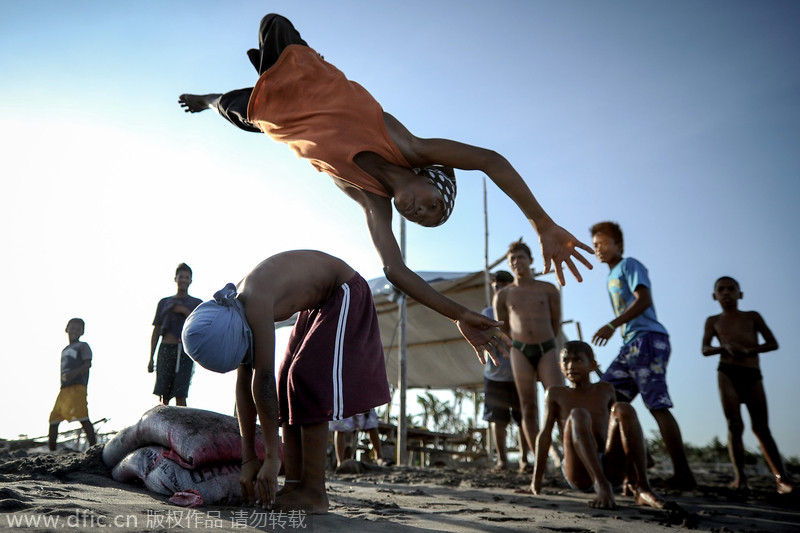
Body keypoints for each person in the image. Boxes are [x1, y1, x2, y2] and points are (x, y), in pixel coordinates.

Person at [178, 13, 594, 363]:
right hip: (304, 75)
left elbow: (395, 270)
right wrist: (542, 223)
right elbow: (489, 161)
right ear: (431, 177)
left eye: (424, 221)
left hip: (270, 116)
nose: (420, 214)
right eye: (432, 207)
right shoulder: (409, 146)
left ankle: (206, 98)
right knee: (273, 21)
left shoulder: (374, 200)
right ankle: (249, 75)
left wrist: (458, 315)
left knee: (227, 106)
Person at [181, 250, 390, 514]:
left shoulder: (254, 302)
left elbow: (262, 379)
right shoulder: (235, 313)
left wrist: (270, 457)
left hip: (344, 290)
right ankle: (294, 485)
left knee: (306, 376)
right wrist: (248, 459)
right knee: (286, 383)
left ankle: (314, 491)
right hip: (316, 305)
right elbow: (245, 387)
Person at [589, 221, 695, 490]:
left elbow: (644, 299)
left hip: (648, 340)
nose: (598, 248)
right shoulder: (609, 275)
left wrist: (613, 325)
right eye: (595, 245)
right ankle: (638, 461)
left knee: (657, 405)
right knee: (607, 397)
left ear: (619, 245)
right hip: (630, 345)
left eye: (603, 243)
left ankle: (683, 473)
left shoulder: (630, 265)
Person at [524, 341, 665, 510]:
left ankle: (642, 487)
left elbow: (622, 430)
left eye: (578, 360)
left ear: (592, 365)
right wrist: (536, 482)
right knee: (578, 414)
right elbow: (545, 435)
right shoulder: (556, 393)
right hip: (579, 472)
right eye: (566, 361)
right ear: (560, 366)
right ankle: (600, 485)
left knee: (623, 408)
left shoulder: (605, 390)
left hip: (610, 467)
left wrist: (629, 476)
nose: (571, 366)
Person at [702, 276, 793, 494]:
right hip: (727, 372)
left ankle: (781, 479)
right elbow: (705, 349)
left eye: (731, 289)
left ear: (740, 294)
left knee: (761, 427)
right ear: (714, 296)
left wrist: (749, 350)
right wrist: (724, 347)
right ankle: (740, 478)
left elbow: (772, 343)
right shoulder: (713, 320)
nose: (726, 293)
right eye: (721, 290)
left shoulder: (752, 317)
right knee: (734, 425)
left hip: (752, 372)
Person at [493, 241, 564, 466]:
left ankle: (569, 457)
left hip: (547, 347)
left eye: (521, 257)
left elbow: (556, 322)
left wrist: (545, 339)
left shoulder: (548, 289)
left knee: (558, 401)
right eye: (512, 259)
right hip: (520, 350)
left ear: (531, 260)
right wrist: (518, 344)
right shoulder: (503, 295)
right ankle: (541, 461)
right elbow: (503, 328)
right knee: (528, 407)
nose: (516, 262)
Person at [482, 269, 530, 472]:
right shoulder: (488, 313)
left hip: (520, 374)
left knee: (523, 418)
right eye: (496, 288)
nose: (499, 291)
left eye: (503, 287)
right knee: (497, 419)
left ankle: (525, 460)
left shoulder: (523, 310)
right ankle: (502, 460)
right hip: (495, 374)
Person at [148, 263, 202, 406]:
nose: (183, 280)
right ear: (175, 279)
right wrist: (151, 357)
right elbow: (157, 330)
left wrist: (185, 311)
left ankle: (181, 426)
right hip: (166, 348)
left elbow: (202, 327)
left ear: (191, 280)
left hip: (185, 352)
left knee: (181, 393)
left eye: (187, 277)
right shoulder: (165, 302)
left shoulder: (197, 304)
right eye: (181, 277)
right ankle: (163, 426)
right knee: (163, 394)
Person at [48, 318, 96, 451]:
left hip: (77, 387)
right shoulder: (65, 350)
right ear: (66, 329)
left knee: (83, 416)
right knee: (54, 418)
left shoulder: (83, 346)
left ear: (82, 332)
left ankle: (94, 447)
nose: (74, 331)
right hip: (64, 390)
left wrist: (73, 374)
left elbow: (87, 364)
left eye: (78, 329)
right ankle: (52, 451)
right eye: (72, 328)